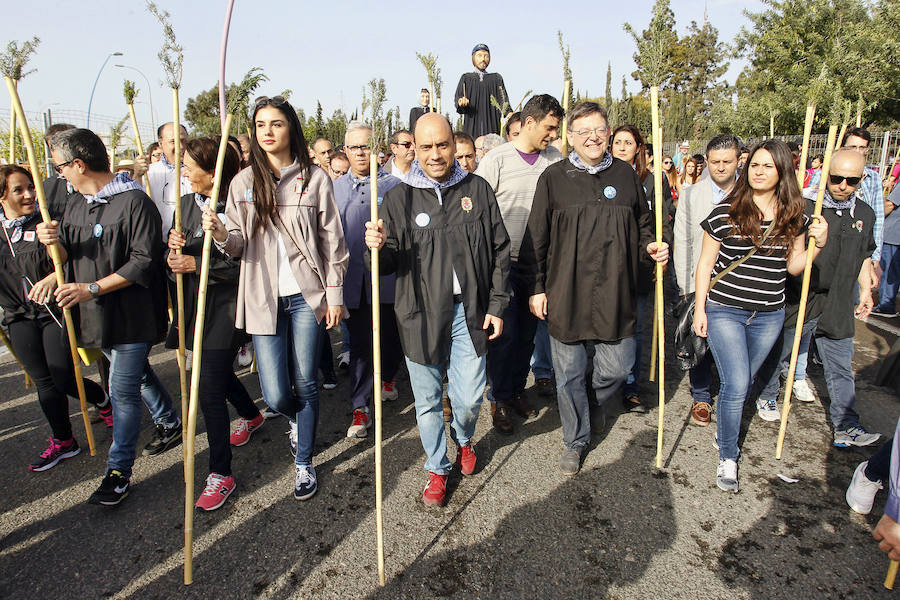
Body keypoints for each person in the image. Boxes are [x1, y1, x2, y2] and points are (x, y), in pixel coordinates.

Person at [202, 95, 348, 501]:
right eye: (261, 124)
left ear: (291, 129)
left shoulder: (314, 178)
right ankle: (295, 419)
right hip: (262, 297)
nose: (268, 131)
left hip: (307, 296)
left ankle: (304, 460)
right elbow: (235, 245)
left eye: (276, 123)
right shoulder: (242, 183)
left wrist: (334, 295)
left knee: (306, 380)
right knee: (277, 392)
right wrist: (217, 233)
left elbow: (333, 242)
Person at [364, 113, 510, 507]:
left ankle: (464, 438)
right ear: (413, 147)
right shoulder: (398, 197)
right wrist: (376, 248)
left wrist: (497, 304)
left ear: (454, 144)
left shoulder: (476, 189)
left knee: (467, 397)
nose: (434, 154)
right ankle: (436, 467)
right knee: (428, 399)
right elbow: (388, 265)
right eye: (425, 146)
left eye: (442, 145)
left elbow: (500, 250)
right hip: (420, 314)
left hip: (470, 312)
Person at [519, 101, 669, 475]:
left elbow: (643, 226)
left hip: (615, 292)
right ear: (570, 137)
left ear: (608, 133)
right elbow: (536, 239)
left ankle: (594, 401)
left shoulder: (625, 176)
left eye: (598, 129)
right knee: (568, 374)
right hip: (566, 292)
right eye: (582, 131)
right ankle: (575, 440)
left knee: (616, 370)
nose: (592, 137)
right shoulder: (553, 178)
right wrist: (537, 287)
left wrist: (651, 247)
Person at [37, 128, 179, 506]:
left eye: (61, 168)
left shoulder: (135, 202)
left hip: (130, 315)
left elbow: (143, 262)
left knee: (122, 391)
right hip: (94, 316)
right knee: (135, 375)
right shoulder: (76, 204)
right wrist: (53, 255)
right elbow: (68, 252)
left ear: (79, 164)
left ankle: (118, 472)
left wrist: (92, 288)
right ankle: (169, 420)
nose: (59, 175)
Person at [692, 139, 827, 493]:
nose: (759, 171)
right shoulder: (726, 211)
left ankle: (725, 426)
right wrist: (701, 311)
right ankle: (728, 454)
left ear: (782, 170)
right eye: (755, 165)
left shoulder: (794, 216)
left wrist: (817, 245)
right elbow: (706, 264)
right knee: (736, 385)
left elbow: (795, 267)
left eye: (768, 166)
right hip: (725, 309)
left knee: (743, 381)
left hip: (769, 314)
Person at [755, 149, 880, 447]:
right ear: (826, 175)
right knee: (780, 351)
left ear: (861, 180)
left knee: (839, 365)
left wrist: (865, 290)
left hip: (838, 300)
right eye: (836, 178)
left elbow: (865, 255)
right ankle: (768, 394)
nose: (842, 186)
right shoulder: (806, 208)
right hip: (803, 296)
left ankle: (846, 424)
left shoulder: (864, 214)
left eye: (851, 181)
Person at [166, 136, 264, 511]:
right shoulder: (187, 204)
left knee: (206, 387)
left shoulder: (238, 204)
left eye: (190, 167)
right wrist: (174, 252)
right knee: (217, 376)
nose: (184, 173)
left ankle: (221, 472)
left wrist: (200, 265)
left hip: (226, 309)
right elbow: (176, 258)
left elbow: (250, 263)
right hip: (195, 307)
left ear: (212, 171)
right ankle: (252, 414)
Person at [0, 165, 111, 471]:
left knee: (63, 376)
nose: (29, 195)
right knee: (44, 382)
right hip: (18, 316)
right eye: (18, 190)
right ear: (2, 196)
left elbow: (67, 261)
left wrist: (52, 271)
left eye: (30, 188)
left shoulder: (46, 222)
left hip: (53, 311)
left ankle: (102, 400)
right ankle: (64, 441)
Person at [475, 94, 564, 434]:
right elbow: (479, 212)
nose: (553, 135)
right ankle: (497, 397)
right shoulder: (497, 160)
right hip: (503, 263)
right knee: (504, 333)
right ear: (529, 123)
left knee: (528, 334)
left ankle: (514, 391)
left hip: (539, 266)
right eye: (549, 127)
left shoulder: (554, 160)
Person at [333, 122, 403, 438]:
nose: (361, 152)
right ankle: (360, 407)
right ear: (345, 151)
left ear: (377, 150)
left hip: (388, 281)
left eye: (366, 146)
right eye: (354, 147)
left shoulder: (396, 187)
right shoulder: (334, 189)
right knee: (360, 345)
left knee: (390, 338)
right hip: (353, 283)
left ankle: (388, 376)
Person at [673, 134, 741, 426]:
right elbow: (683, 240)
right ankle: (701, 395)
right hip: (701, 282)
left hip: (740, 284)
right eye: (715, 162)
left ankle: (731, 394)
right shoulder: (691, 195)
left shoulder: (753, 194)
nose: (721, 167)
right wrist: (686, 286)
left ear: (739, 161)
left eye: (727, 161)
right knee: (699, 341)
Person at [610, 124, 674, 414]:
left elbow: (664, 221)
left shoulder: (654, 180)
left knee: (637, 328)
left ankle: (632, 387)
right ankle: (601, 380)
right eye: (618, 142)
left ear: (639, 148)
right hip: (609, 267)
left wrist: (663, 246)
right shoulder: (601, 177)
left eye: (629, 142)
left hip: (640, 265)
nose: (623, 147)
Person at [805, 128, 884, 286]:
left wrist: (874, 258)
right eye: (852, 147)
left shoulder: (872, 179)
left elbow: (877, 219)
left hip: (852, 246)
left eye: (862, 147)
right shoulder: (815, 187)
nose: (843, 186)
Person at [454, 43, 509, 138]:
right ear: (473, 58)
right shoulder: (466, 78)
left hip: (492, 125)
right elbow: (459, 98)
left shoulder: (496, 79)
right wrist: (461, 102)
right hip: (472, 126)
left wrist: (508, 113)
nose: (483, 59)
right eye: (479, 56)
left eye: (486, 56)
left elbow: (503, 100)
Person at [147, 122, 191, 237]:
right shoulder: (149, 174)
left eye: (183, 140)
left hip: (194, 245)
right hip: (160, 243)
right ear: (160, 144)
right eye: (173, 142)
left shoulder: (199, 170)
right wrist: (137, 175)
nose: (181, 146)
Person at [875, 183, 900, 316]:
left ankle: (886, 305)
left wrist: (877, 216)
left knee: (889, 271)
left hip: (894, 234)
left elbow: (890, 204)